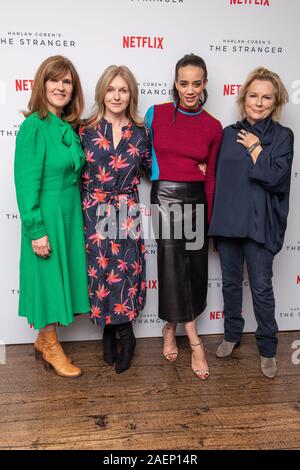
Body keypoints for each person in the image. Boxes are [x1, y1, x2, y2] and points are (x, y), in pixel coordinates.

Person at [209, 67, 293, 378]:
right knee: (231, 284)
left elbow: (274, 178)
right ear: (244, 97)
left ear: (276, 102)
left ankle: (268, 348)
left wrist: (256, 147)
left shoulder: (283, 136)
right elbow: (219, 179)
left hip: (261, 225)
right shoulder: (228, 133)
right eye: (253, 95)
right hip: (229, 223)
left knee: (260, 288)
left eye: (266, 97)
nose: (258, 102)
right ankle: (231, 335)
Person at [145, 54, 222, 380]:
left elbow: (212, 177)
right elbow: (141, 159)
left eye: (196, 83)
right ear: (175, 83)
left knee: (193, 269)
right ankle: (194, 341)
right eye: (183, 83)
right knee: (172, 266)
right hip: (164, 197)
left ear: (204, 84)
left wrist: (212, 221)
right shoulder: (156, 114)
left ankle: (169, 327)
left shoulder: (213, 126)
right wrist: (173, 170)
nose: (189, 90)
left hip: (196, 199)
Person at [14, 55, 90, 378]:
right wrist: (36, 229)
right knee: (47, 279)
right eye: (54, 80)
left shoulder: (68, 127)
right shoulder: (34, 126)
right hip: (47, 216)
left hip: (69, 216)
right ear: (41, 84)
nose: (61, 87)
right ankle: (52, 346)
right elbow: (26, 182)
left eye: (67, 81)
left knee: (59, 278)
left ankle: (41, 340)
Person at [79, 65, 151, 374]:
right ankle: (108, 332)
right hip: (93, 210)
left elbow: (152, 169)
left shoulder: (140, 131)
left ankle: (127, 337)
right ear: (102, 92)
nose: (117, 95)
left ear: (131, 94)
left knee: (124, 275)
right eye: (111, 89)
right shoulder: (84, 129)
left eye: (123, 89)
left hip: (126, 210)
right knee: (100, 273)